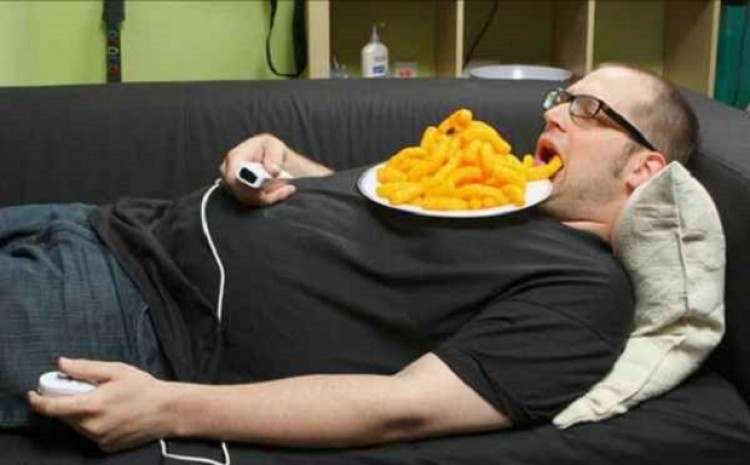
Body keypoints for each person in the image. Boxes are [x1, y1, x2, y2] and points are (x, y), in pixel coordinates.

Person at [0, 64, 697, 453]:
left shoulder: (585, 294)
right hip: (109, 222)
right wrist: (280, 159)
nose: (554, 115)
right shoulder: (499, 194)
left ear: (644, 168)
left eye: (589, 110)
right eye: (562, 98)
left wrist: (168, 409)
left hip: (133, 312)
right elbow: (371, 214)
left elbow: (404, 407)